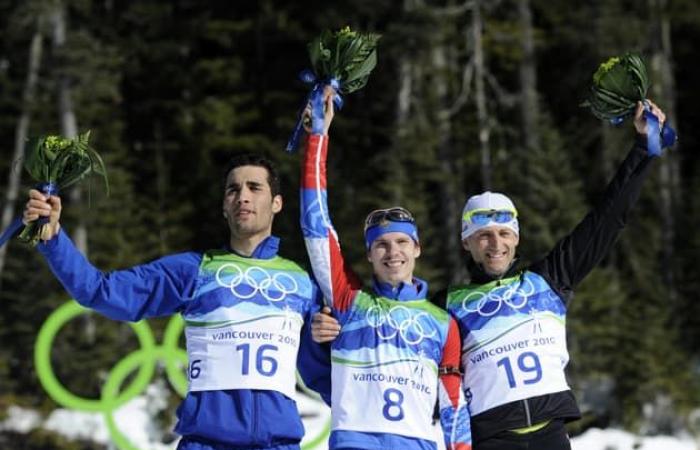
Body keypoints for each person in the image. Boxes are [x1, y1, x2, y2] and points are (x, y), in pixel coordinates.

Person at [311, 100, 669, 450]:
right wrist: (330, 330)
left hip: (551, 434)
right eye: (483, 235)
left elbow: (607, 219)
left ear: (516, 238)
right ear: (467, 243)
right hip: (490, 437)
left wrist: (643, 149)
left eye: (504, 233)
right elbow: (388, 339)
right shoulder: (446, 306)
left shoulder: (548, 280)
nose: (495, 244)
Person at [23, 152, 330, 450]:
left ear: (277, 203)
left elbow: (327, 375)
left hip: (278, 444)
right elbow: (101, 291)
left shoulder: (302, 283)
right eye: (233, 190)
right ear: (224, 206)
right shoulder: (194, 269)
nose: (242, 197)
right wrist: (52, 237)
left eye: (254, 187)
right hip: (205, 443)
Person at [300, 88, 471, 450]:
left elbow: (454, 404)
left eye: (402, 242)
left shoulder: (443, 324)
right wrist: (318, 136)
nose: (392, 252)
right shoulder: (348, 300)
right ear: (369, 255)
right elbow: (316, 226)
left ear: (417, 249)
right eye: (381, 244)